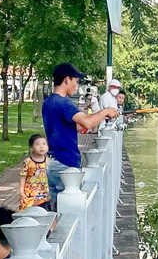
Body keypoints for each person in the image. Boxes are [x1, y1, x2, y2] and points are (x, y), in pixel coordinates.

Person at [43, 63, 118, 207]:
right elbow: (87, 123)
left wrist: (101, 117)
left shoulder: (49, 102)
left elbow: (75, 126)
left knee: (58, 212)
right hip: (66, 166)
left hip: (53, 165)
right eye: (75, 81)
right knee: (72, 212)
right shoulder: (64, 103)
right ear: (67, 79)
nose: (76, 85)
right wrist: (106, 110)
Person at [20, 133, 51, 211]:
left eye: (44, 144)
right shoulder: (28, 162)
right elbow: (23, 177)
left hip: (44, 193)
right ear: (32, 148)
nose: (41, 147)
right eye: (37, 144)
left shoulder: (49, 161)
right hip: (30, 195)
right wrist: (21, 193)